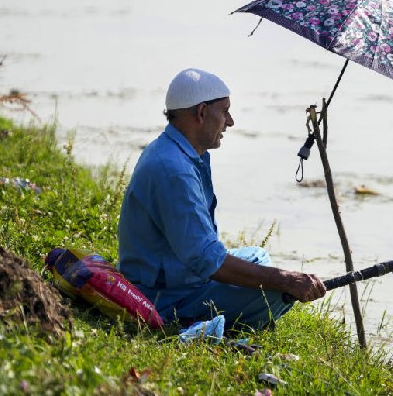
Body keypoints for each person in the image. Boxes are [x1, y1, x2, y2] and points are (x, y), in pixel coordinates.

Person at [117, 68, 326, 329]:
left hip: (180, 274)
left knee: (257, 255)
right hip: (164, 296)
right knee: (275, 294)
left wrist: (276, 277)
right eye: (225, 111)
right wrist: (284, 280)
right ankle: (189, 319)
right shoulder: (174, 170)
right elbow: (207, 259)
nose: (230, 121)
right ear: (202, 112)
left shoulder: (181, 151)